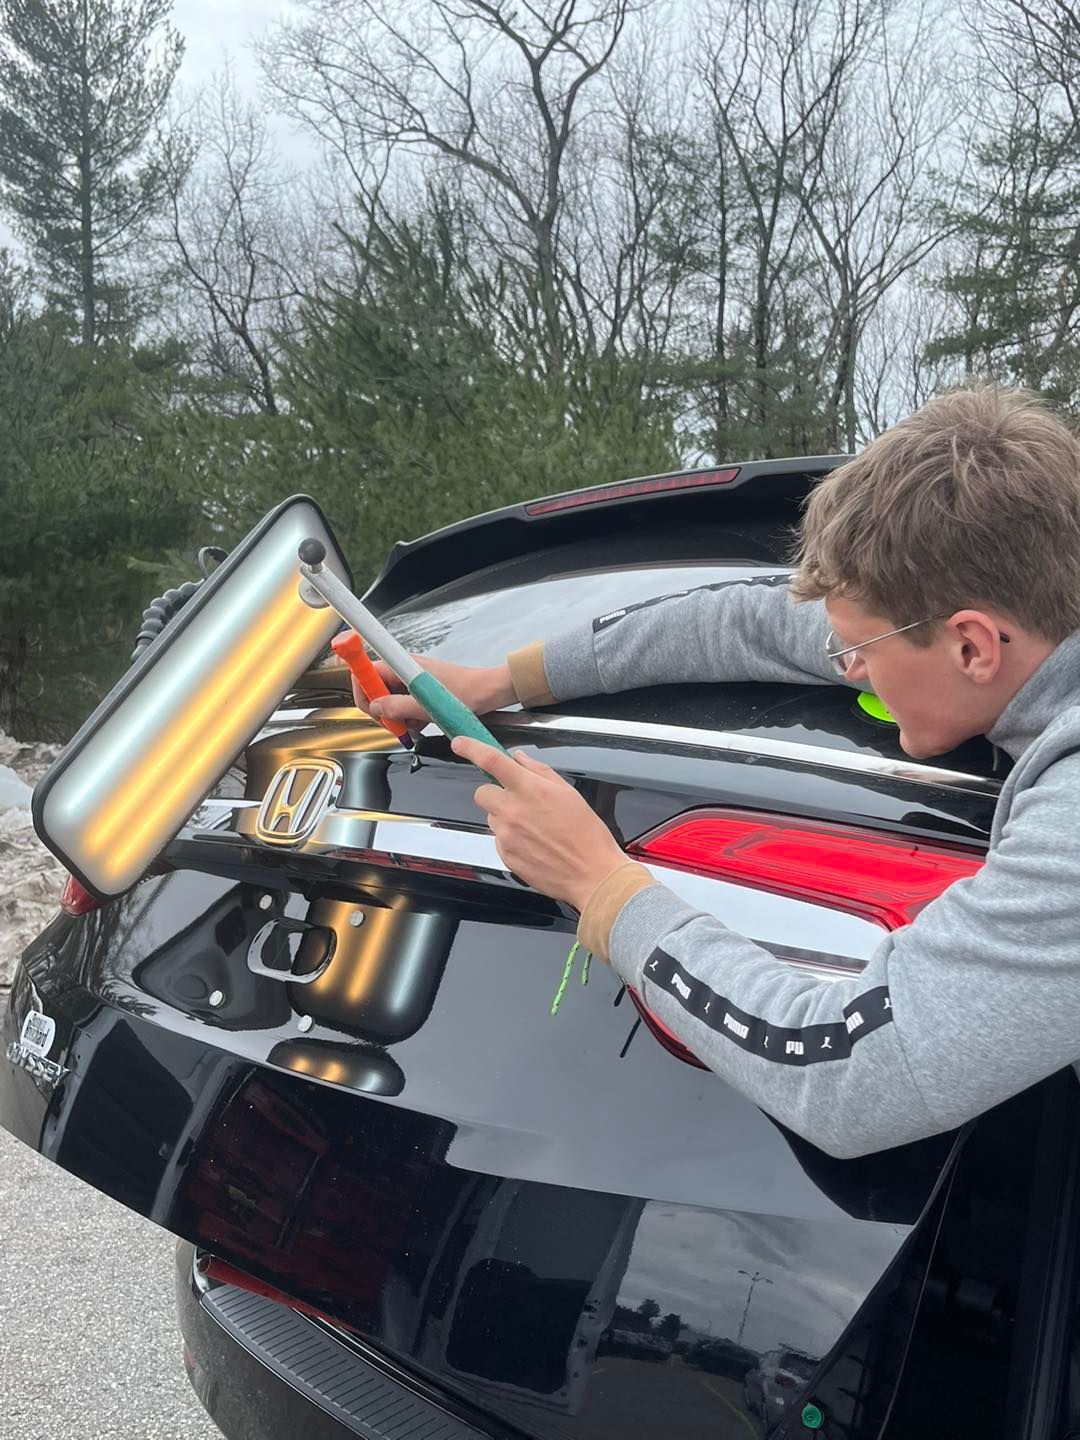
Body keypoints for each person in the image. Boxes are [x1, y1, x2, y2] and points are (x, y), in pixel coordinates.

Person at [355, 385, 1080, 1159]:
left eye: (860, 652)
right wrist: (503, 680)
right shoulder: (1010, 625)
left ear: (972, 647)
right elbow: (747, 621)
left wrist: (600, 884)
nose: (847, 668)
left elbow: (853, 1081)